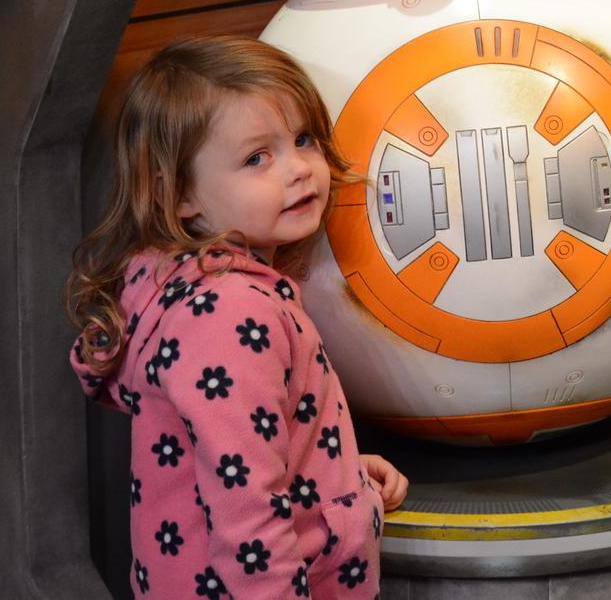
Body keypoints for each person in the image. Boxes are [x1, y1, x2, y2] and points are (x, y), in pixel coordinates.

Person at [66, 36, 407, 599]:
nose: (299, 169)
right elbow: (248, 514)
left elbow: (236, 450)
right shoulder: (229, 314)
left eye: (302, 139)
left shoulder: (188, 289)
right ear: (180, 195)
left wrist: (335, 470)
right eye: (256, 158)